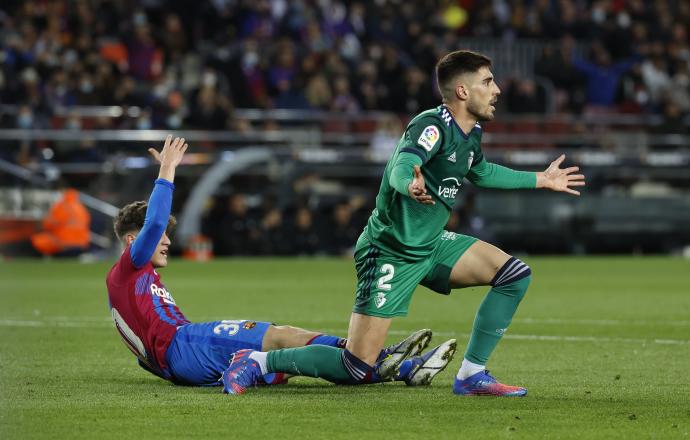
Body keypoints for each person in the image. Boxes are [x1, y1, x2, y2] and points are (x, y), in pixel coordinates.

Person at [222, 50, 585, 396]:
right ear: (462, 90)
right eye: (488, 82)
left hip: (431, 243)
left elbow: (483, 172)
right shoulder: (431, 125)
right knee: (356, 366)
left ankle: (472, 375)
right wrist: (409, 185)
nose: (497, 90)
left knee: (513, 275)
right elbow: (401, 166)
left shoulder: (471, 133)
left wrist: (542, 179)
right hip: (390, 251)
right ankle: (256, 361)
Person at [106, 135, 457, 387]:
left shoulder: (136, 279)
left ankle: (403, 366)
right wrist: (167, 170)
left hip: (181, 357)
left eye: (167, 234)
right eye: (159, 236)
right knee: (281, 337)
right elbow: (152, 223)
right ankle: (378, 356)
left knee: (288, 363)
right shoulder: (128, 268)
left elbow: (144, 353)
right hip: (185, 346)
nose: (166, 240)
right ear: (132, 241)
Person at [31, 187, 91, 256]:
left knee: (37, 240)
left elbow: (48, 225)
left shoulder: (61, 206)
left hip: (63, 244)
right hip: (81, 245)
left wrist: (41, 223)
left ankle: (47, 257)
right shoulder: (81, 208)